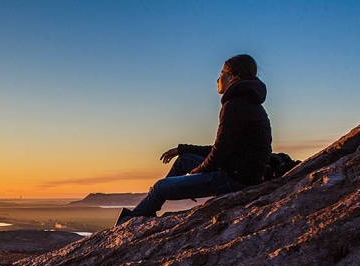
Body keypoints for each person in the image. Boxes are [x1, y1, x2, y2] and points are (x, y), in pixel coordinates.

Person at [117, 54, 272, 225]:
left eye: (222, 73)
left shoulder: (234, 105)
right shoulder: (249, 103)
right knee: (184, 160)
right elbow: (222, 147)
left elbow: (219, 154)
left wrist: (196, 173)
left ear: (233, 77)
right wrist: (182, 149)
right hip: (240, 172)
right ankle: (147, 209)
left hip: (235, 179)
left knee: (160, 187)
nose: (218, 79)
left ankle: (129, 223)